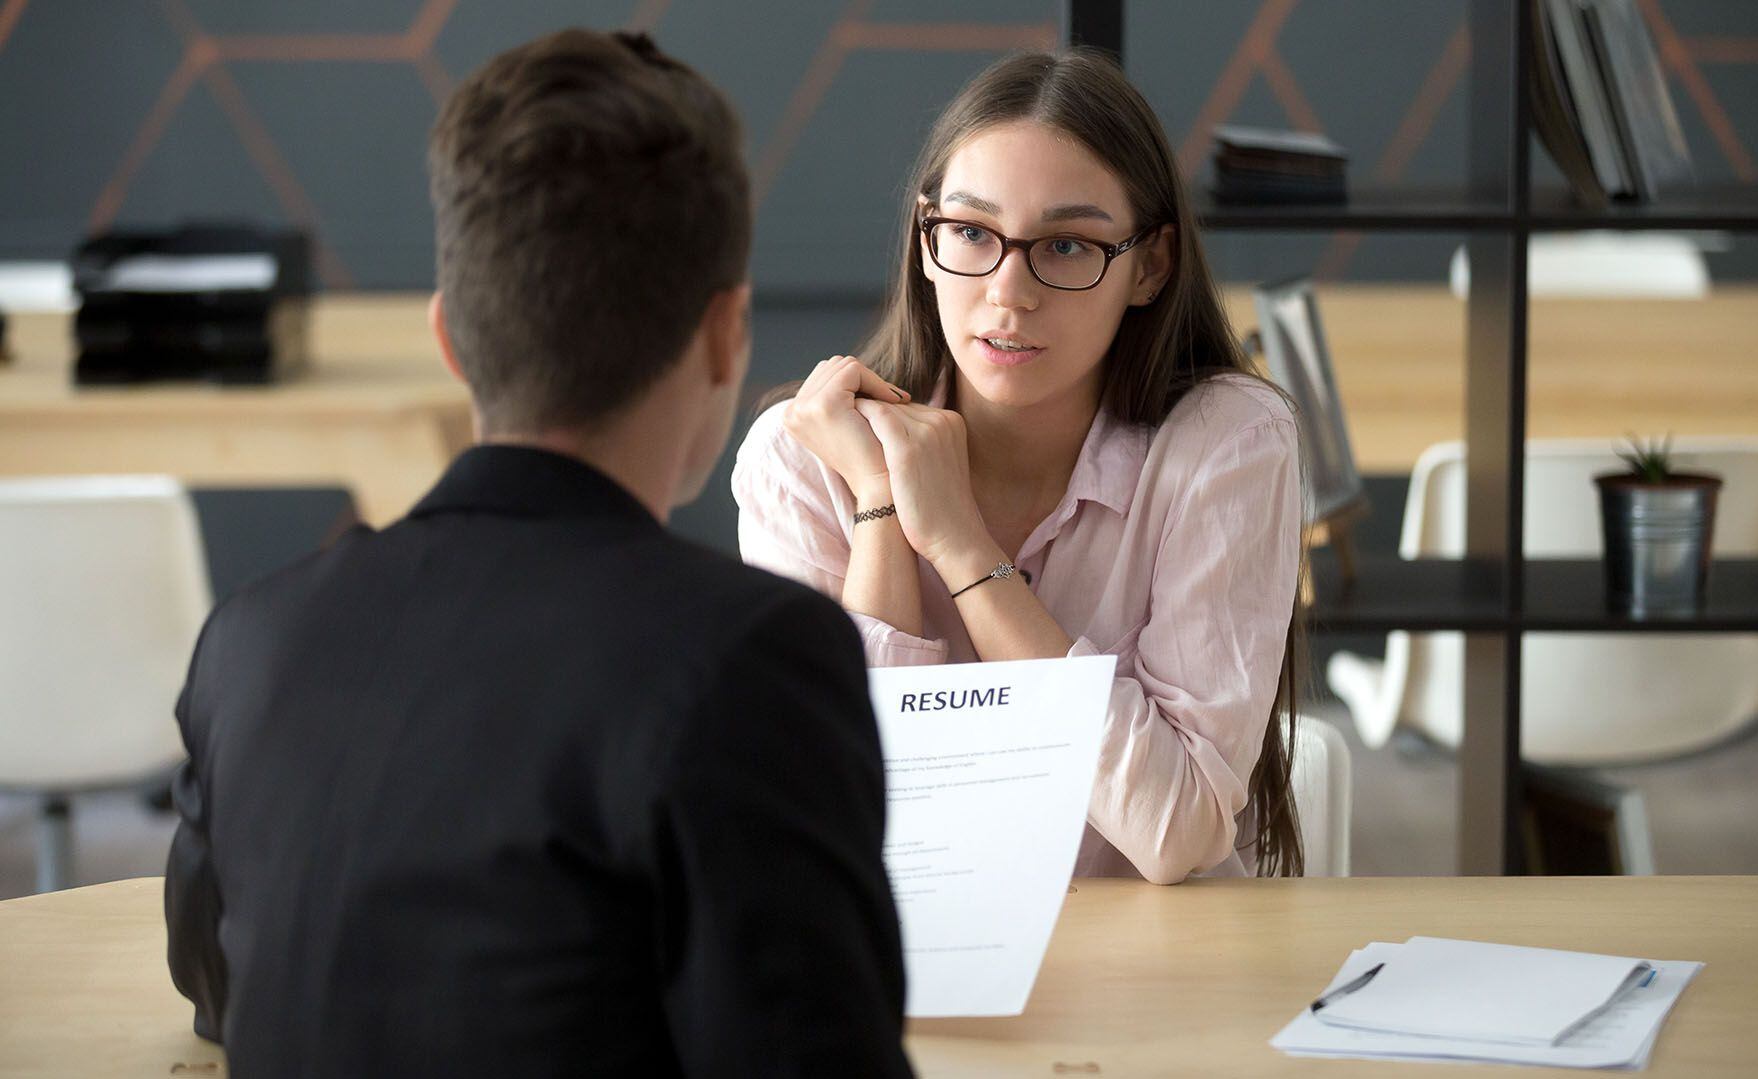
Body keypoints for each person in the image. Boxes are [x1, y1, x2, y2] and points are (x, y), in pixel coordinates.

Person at [163, 29, 912, 1077]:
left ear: (451, 337)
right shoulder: (749, 656)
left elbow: (217, 993)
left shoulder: (251, 637)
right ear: (724, 336)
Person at [733, 49, 1308, 885]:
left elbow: (1178, 827)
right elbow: (850, 818)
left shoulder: (1226, 442)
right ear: (927, 241)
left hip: (1160, 980)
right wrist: (881, 507)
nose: (1009, 292)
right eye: (971, 232)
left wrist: (966, 551)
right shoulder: (802, 458)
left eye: (1068, 245)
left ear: (1149, 266)